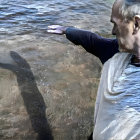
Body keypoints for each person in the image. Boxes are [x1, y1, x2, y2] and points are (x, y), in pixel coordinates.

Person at [47, 0, 140, 139]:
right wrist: (67, 30)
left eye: (116, 24)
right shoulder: (119, 53)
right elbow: (94, 41)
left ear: (136, 24)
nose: (113, 31)